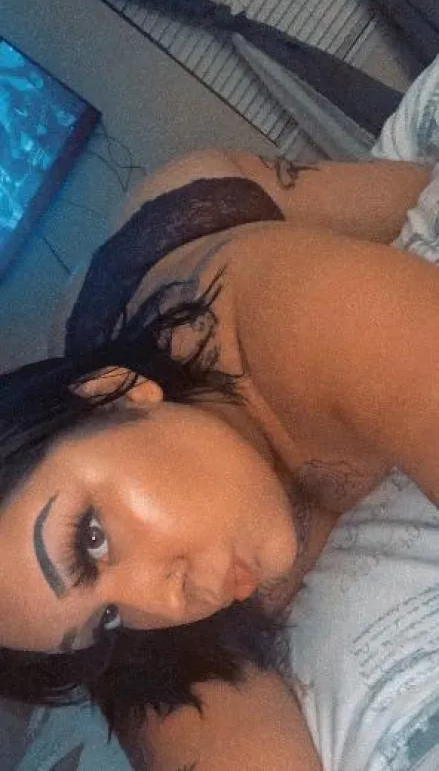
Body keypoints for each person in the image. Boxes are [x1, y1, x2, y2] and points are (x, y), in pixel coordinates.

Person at [2, 56, 439, 770]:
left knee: (413, 193)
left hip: (174, 226)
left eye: (93, 539)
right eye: (102, 620)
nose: (168, 601)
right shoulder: (147, 616)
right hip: (92, 367)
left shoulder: (308, 316)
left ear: (121, 390)